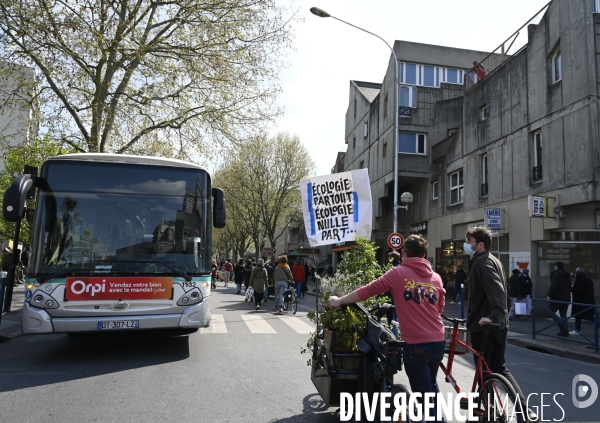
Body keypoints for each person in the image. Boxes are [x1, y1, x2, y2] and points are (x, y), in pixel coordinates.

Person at [329, 235, 446, 422]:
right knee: (430, 384)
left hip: (416, 344)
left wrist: (340, 301)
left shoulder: (398, 273)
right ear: (424, 255)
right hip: (438, 341)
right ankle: (439, 418)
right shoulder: (436, 277)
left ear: (404, 253)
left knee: (423, 394)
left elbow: (367, 291)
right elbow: (439, 307)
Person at [464, 226, 538, 422]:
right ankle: (524, 411)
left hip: (485, 325)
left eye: (469, 242)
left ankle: (489, 413)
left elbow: (496, 291)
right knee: (499, 368)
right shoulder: (493, 260)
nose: (466, 246)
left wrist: (493, 316)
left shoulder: (482, 262)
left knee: (484, 370)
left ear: (480, 244)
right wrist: (500, 318)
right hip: (498, 325)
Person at [547, 261, 572, 337]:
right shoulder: (567, 275)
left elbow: (554, 286)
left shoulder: (556, 275)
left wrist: (549, 295)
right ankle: (565, 330)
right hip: (567, 297)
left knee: (550, 310)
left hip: (558, 296)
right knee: (563, 314)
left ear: (556, 266)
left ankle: (562, 326)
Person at [570, 268, 595, 335]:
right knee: (592, 316)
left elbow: (579, 291)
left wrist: (571, 289)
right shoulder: (589, 280)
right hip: (589, 300)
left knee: (578, 315)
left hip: (581, 301)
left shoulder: (580, 281)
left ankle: (577, 330)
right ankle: (577, 329)